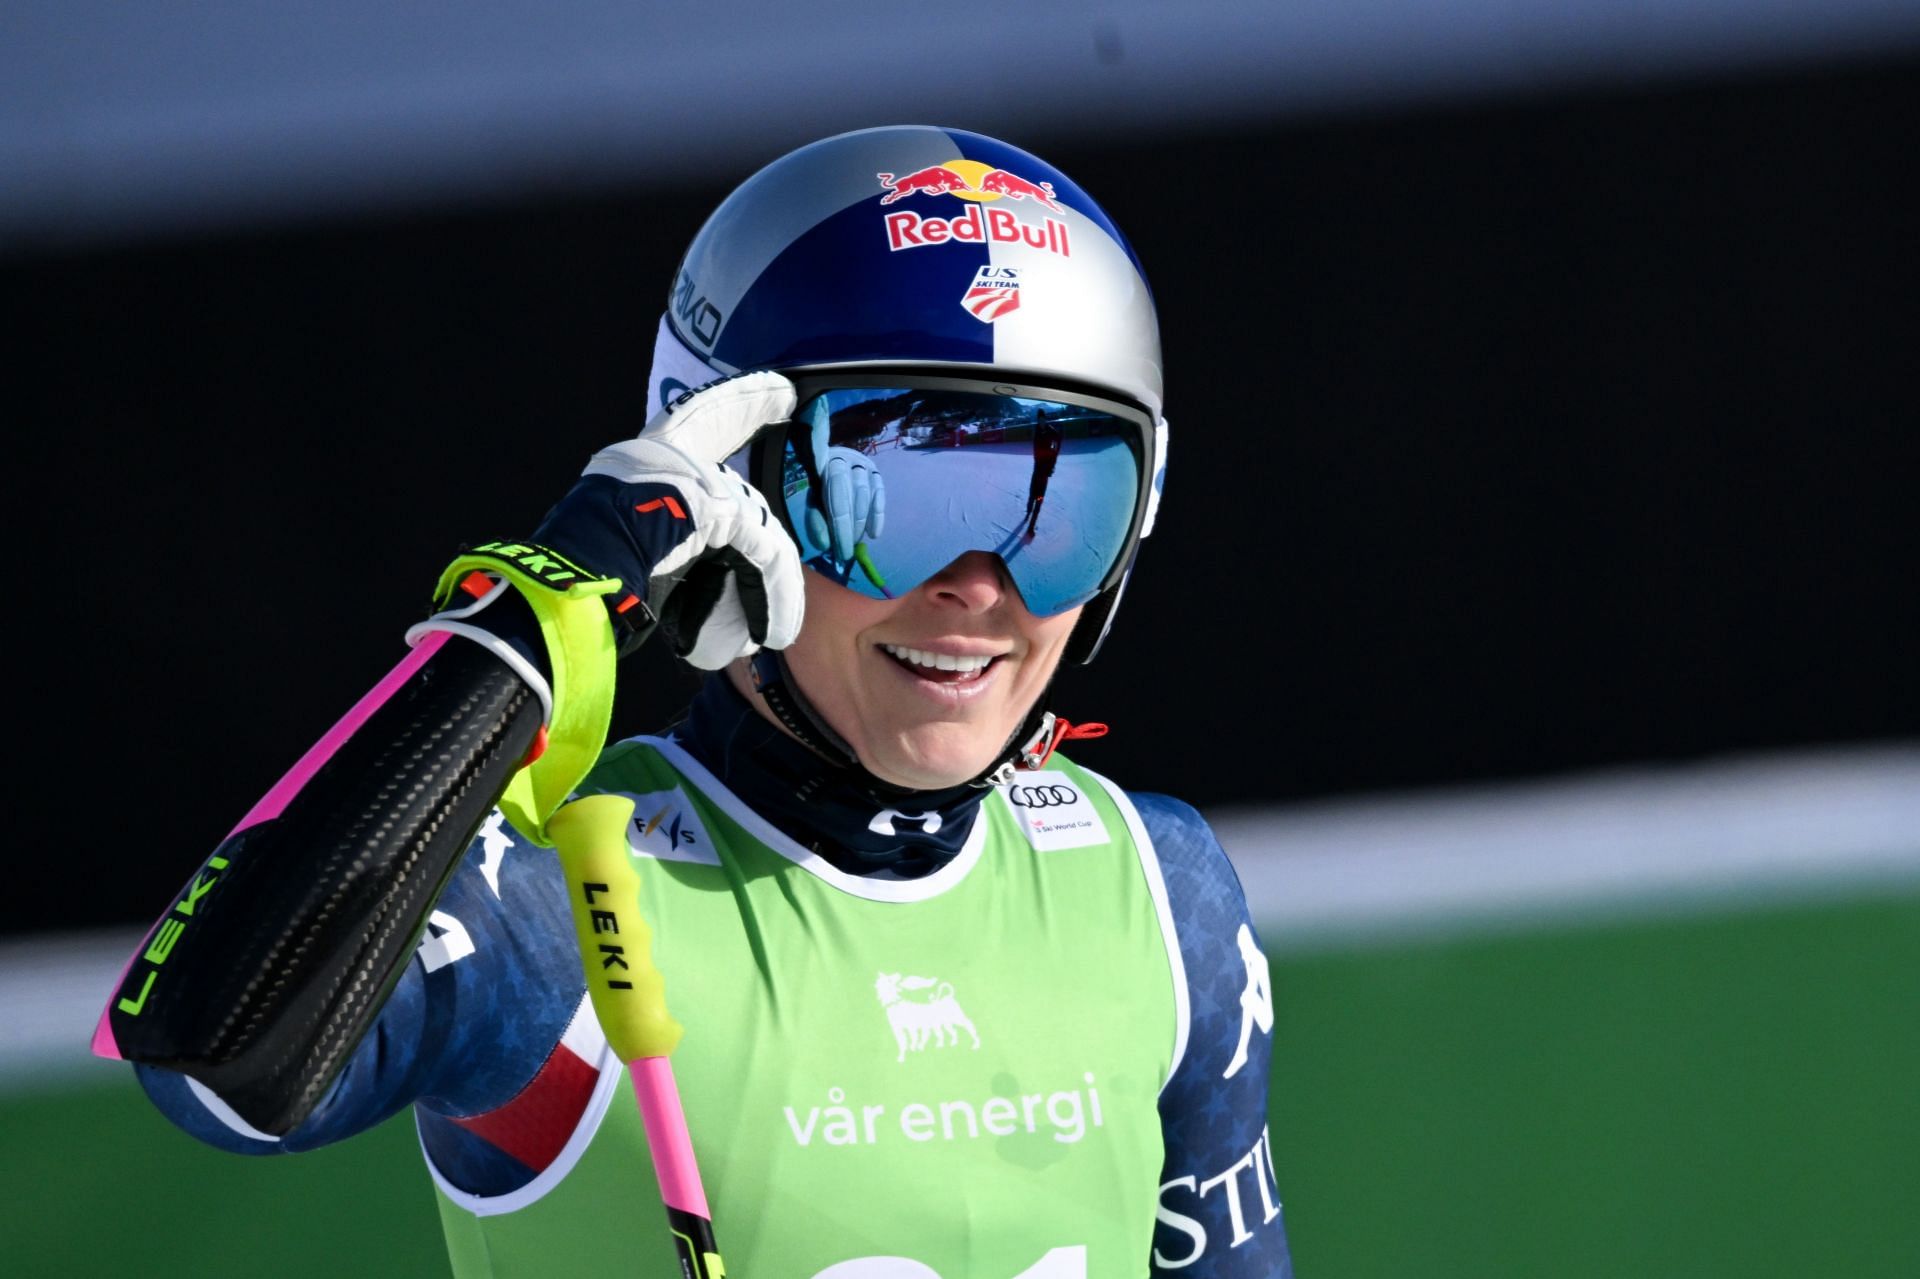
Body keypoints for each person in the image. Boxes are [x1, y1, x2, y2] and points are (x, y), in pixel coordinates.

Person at [94, 125, 1293, 1278]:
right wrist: (527, 623)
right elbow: (215, 1055)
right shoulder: (555, 905)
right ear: (733, 490)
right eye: (897, 499)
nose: (977, 589)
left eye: (1057, 507)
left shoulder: (1155, 888)